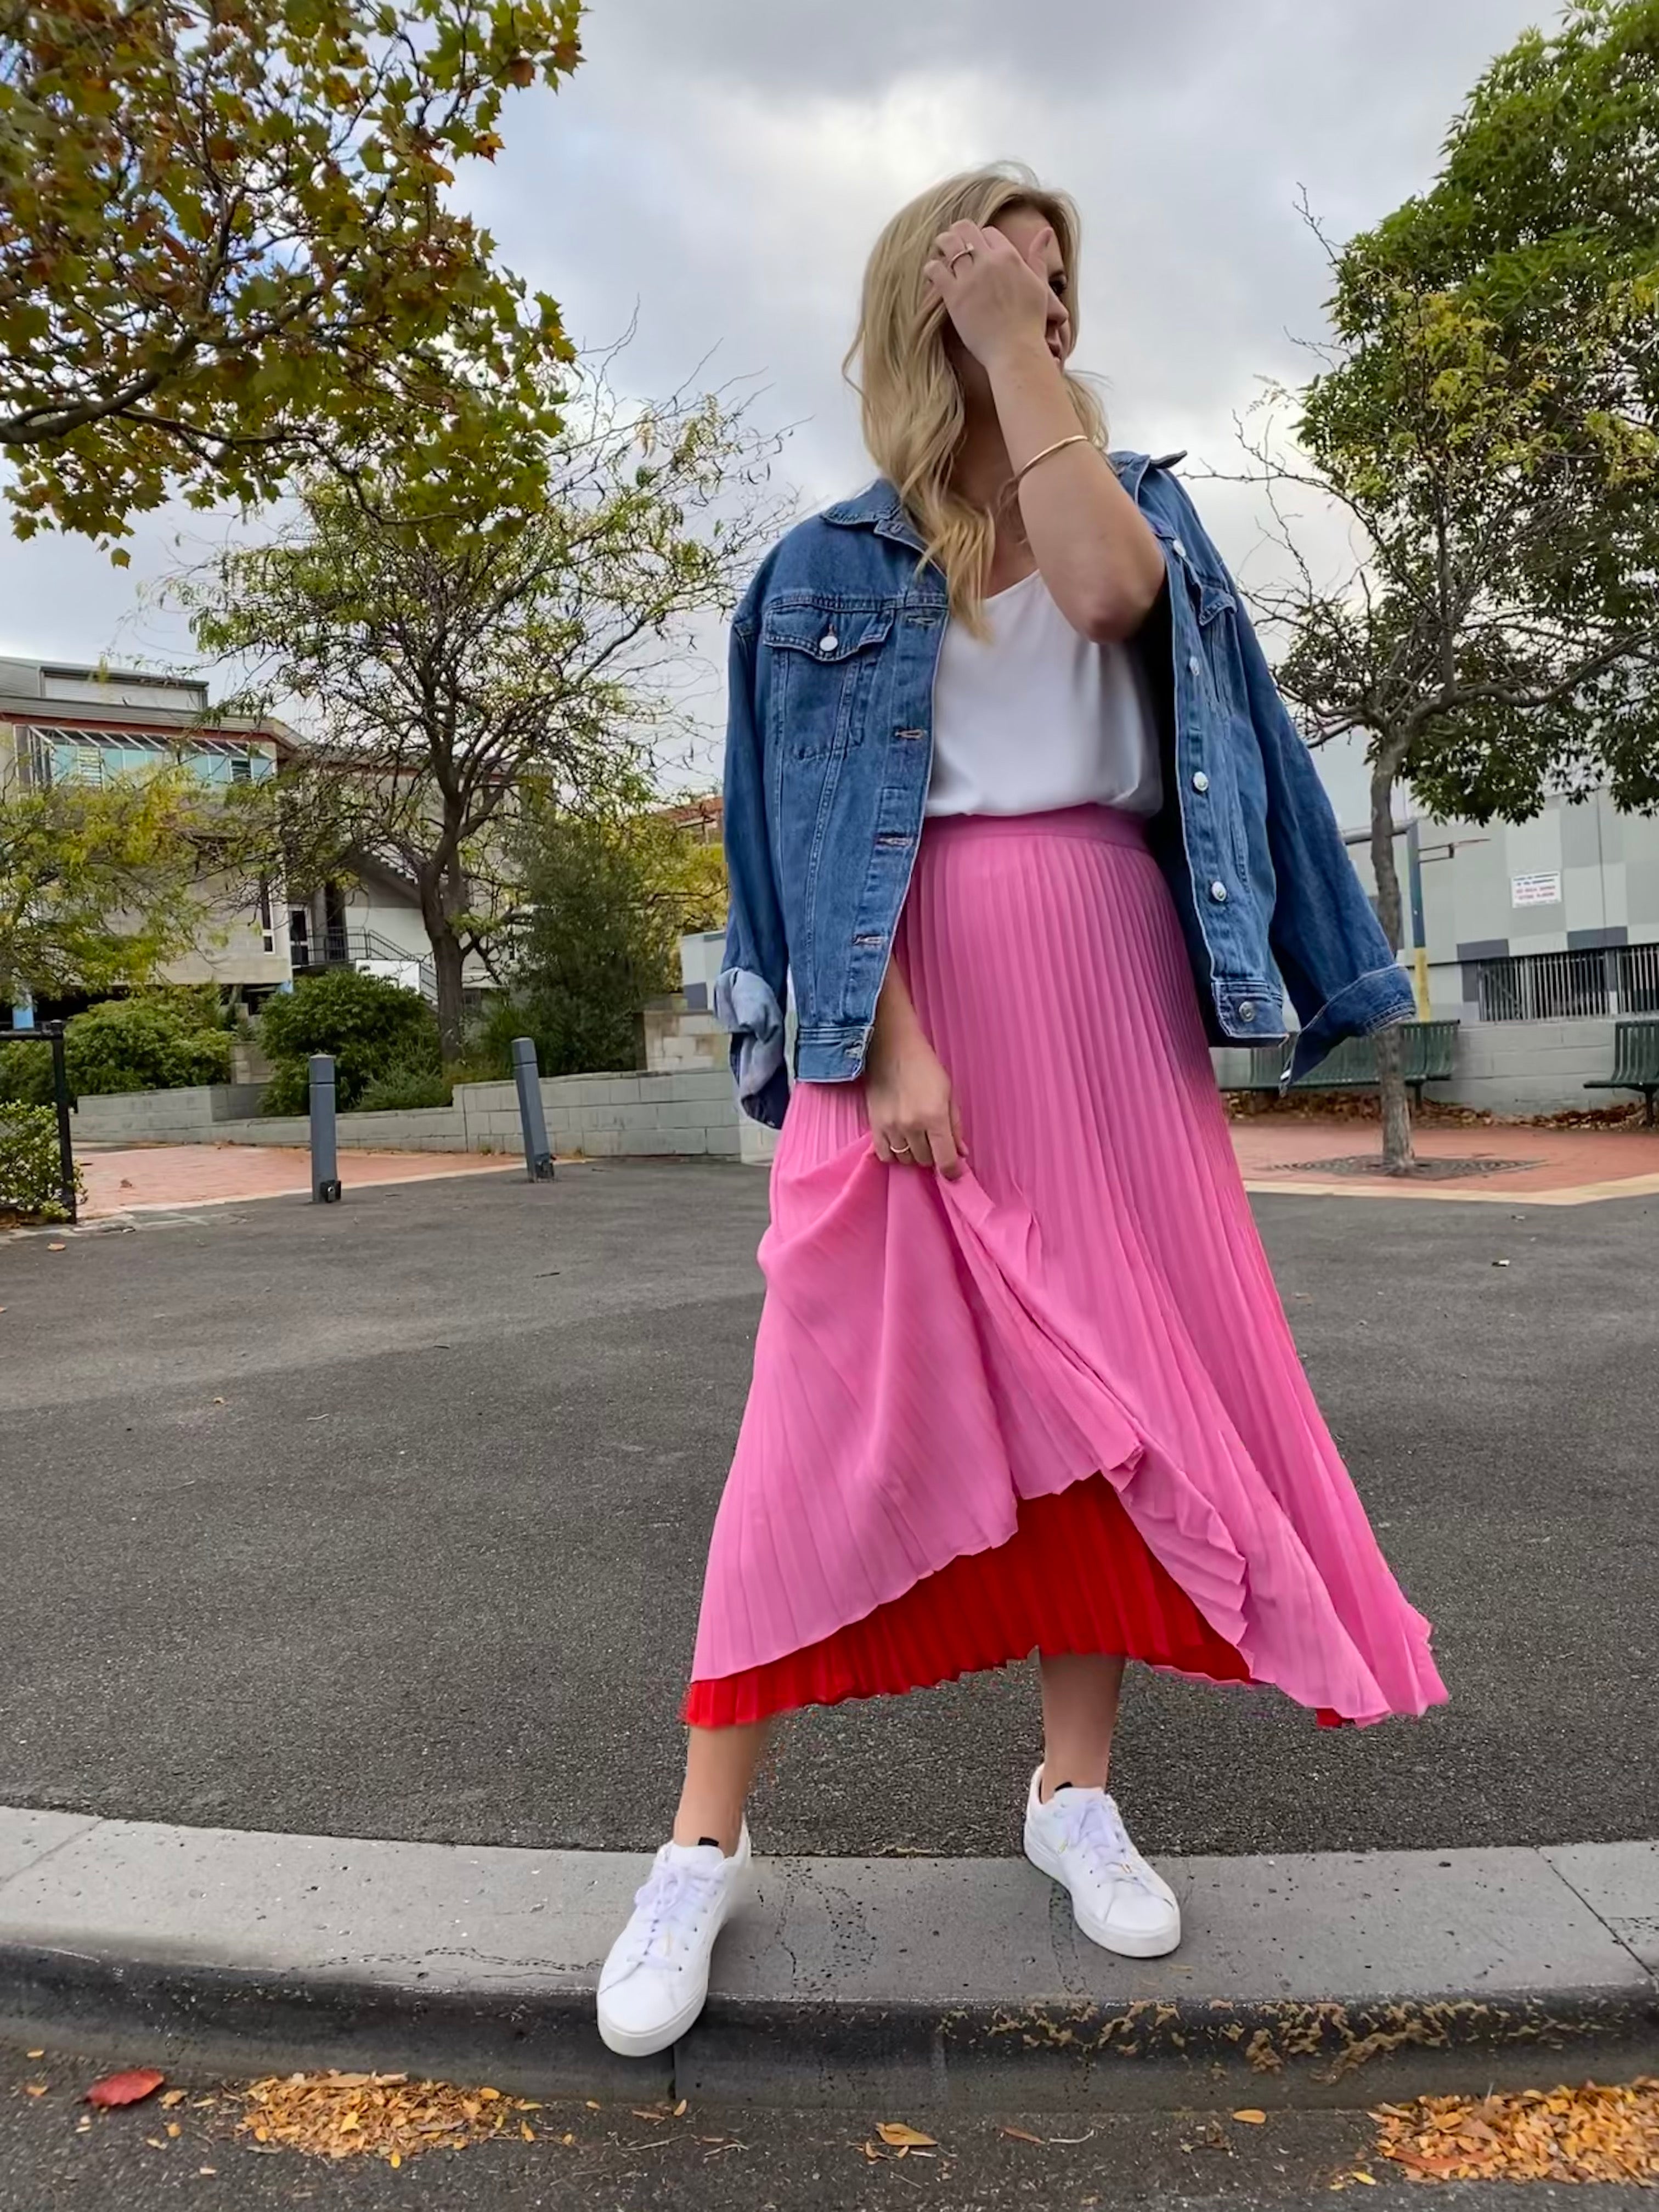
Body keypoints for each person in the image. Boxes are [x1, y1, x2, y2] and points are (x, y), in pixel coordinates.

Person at [596, 162, 1446, 2061]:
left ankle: (1072, 1794)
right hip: (907, 992)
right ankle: (698, 1845)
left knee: (1116, 1397)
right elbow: (797, 836)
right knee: (817, 1409)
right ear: (927, 302)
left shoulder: (1130, 512)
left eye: (1063, 290)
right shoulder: (821, 566)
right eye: (1005, 285)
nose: (1047, 314)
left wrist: (1018, 363)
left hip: (1106, 992)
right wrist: (880, 1038)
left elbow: (1103, 595)